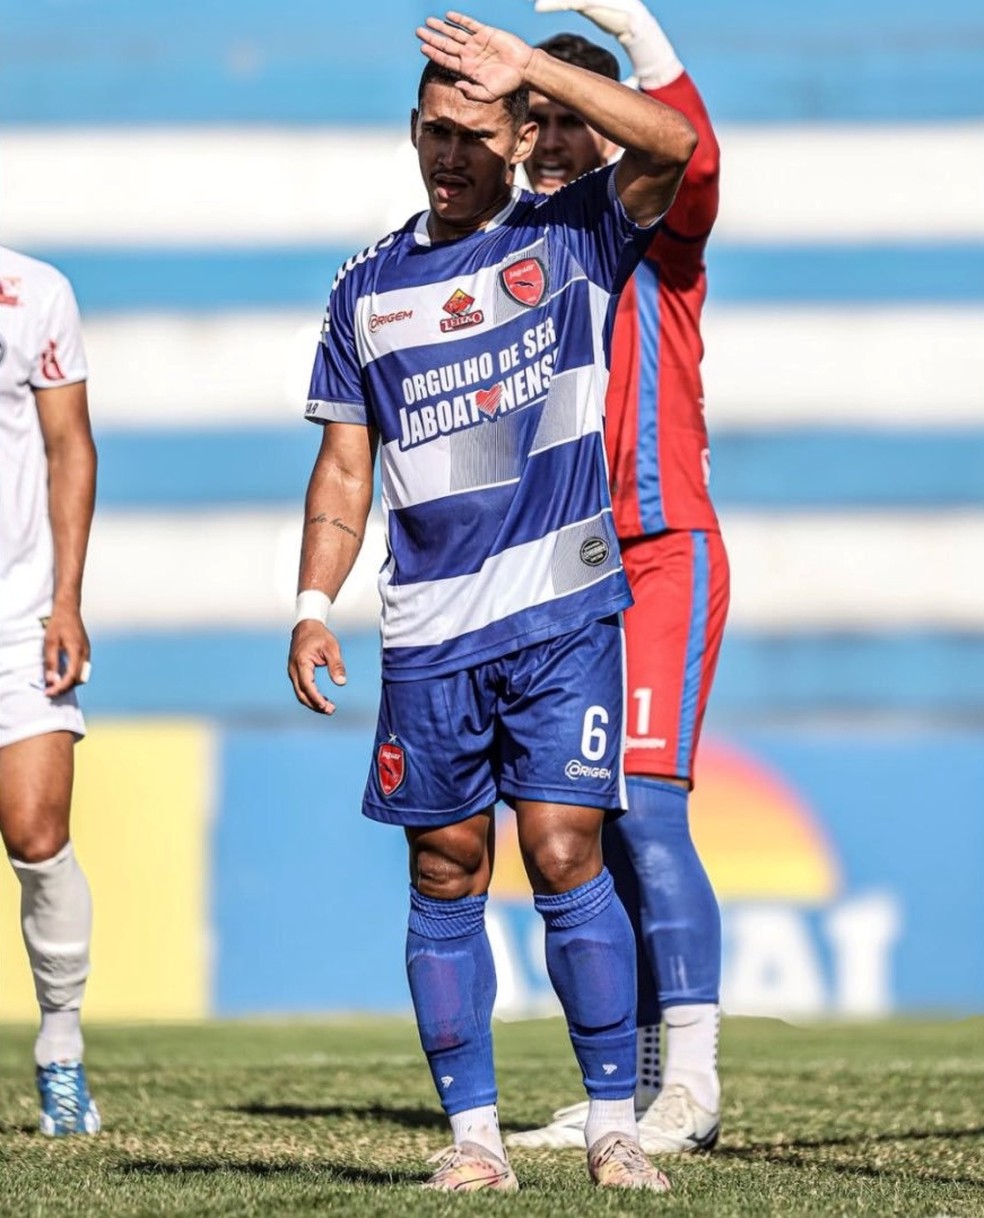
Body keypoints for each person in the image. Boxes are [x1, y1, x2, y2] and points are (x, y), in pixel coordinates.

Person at [288, 9, 696, 1193]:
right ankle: (475, 1142)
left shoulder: (575, 232)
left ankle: (615, 1124)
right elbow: (346, 465)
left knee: (567, 850)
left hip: (564, 610)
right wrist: (314, 600)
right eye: (431, 133)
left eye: (473, 134)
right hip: (428, 633)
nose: (449, 157)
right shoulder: (365, 288)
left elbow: (670, 145)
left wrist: (529, 68)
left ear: (521, 136)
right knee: (446, 869)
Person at [503, 0, 729, 1156]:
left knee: (646, 807)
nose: (543, 137)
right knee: (584, 824)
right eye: (525, 117)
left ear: (605, 125)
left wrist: (636, 35)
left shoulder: (655, 225)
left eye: (562, 115)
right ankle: (631, 1093)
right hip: (567, 569)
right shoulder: (518, 258)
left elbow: (688, 146)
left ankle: (692, 1080)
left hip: (661, 548)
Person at [0, 246, 100, 1135]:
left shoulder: (33, 291)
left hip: (18, 613)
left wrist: (66, 601)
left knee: (37, 832)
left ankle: (61, 1050)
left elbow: (70, 445)